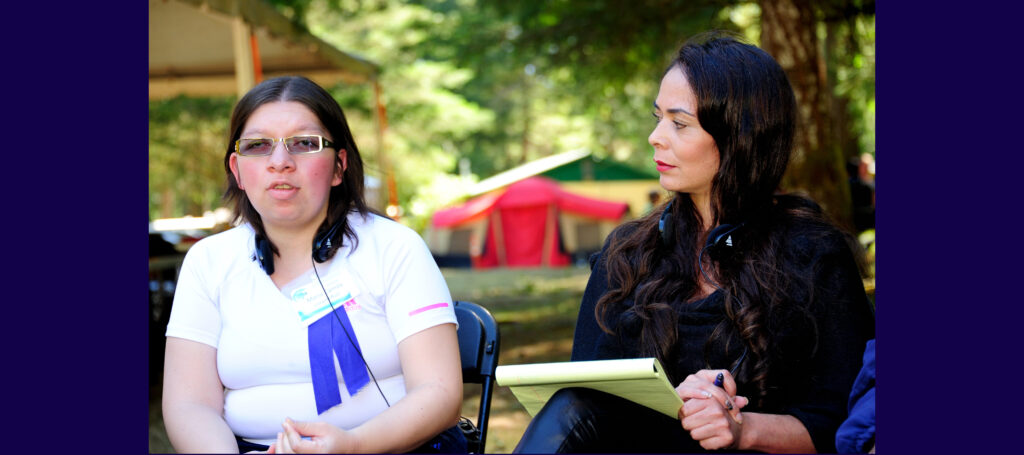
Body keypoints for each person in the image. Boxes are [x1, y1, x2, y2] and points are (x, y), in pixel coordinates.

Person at [513, 32, 875, 453]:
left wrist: (742, 428)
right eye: (658, 117)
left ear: (740, 136)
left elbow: (846, 426)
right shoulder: (626, 253)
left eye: (679, 123)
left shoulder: (813, 255)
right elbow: (582, 402)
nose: (656, 136)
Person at [162, 76, 466, 454]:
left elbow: (439, 391)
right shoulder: (207, 262)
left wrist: (354, 445)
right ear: (237, 170)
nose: (280, 162)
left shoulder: (395, 248)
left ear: (339, 166)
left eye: (304, 143)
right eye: (258, 145)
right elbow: (189, 405)